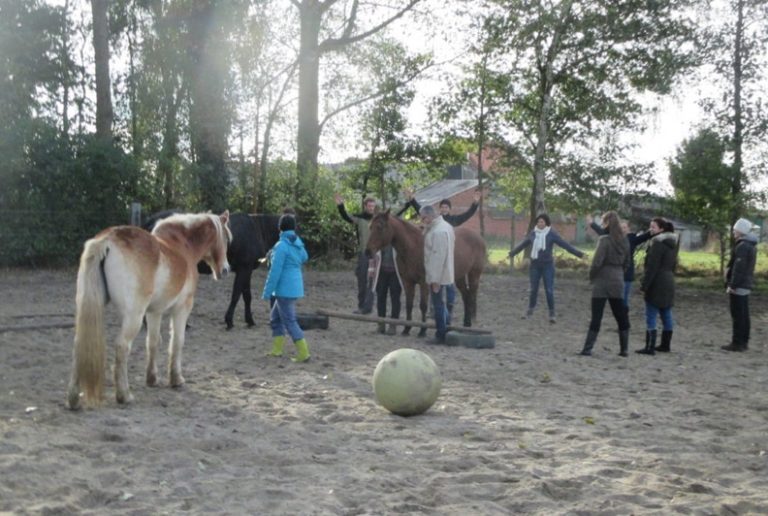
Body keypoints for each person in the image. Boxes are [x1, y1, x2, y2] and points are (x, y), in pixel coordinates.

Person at [401, 188, 481, 316]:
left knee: (449, 285)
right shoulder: (434, 220)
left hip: (449, 256)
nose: (444, 209)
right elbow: (421, 210)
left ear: (449, 209)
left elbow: (467, 215)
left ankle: (449, 309)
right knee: (434, 283)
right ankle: (435, 310)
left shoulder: (454, 220)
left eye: (446, 207)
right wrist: (412, 199)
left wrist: (475, 203)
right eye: (442, 207)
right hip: (436, 255)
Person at [510, 213, 586, 323]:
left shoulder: (551, 234)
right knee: (533, 289)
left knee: (549, 290)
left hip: (547, 266)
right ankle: (530, 311)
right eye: (538, 222)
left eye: (542, 222)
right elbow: (523, 244)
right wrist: (512, 253)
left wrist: (579, 254)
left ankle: (552, 313)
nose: (540, 224)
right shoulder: (533, 233)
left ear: (546, 223)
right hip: (535, 265)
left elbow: (565, 245)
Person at [579, 211, 631, 357]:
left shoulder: (604, 240)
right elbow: (627, 262)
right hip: (618, 279)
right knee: (620, 315)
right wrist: (619, 272)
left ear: (607, 223)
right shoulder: (624, 241)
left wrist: (592, 276)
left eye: (603, 222)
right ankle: (624, 349)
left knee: (597, 316)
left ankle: (587, 348)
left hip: (602, 280)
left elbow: (597, 262)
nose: (602, 224)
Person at [262, 214, 310, 363]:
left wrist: (267, 292)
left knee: (289, 321)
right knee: (275, 318)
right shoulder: (297, 242)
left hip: (284, 289)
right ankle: (277, 350)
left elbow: (275, 272)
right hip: (295, 287)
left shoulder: (281, 246)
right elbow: (305, 257)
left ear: (280, 228)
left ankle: (304, 352)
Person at [587, 214, 652, 308]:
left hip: (627, 273)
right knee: (615, 300)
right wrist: (592, 223)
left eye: (625, 227)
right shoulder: (612, 239)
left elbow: (646, 236)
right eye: (621, 228)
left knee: (623, 300)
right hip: (615, 275)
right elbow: (602, 232)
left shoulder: (632, 239)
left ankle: (624, 312)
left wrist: (654, 229)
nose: (623, 229)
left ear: (628, 229)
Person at [636, 217, 678, 355]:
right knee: (666, 312)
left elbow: (652, 268)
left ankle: (650, 346)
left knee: (651, 313)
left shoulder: (657, 244)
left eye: (653, 227)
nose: (650, 229)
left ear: (661, 229)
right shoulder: (673, 244)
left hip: (657, 282)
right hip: (669, 280)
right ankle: (665, 345)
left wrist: (644, 286)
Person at [335, 193, 377, 314]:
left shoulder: (377, 219)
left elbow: (393, 216)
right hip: (363, 253)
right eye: (369, 206)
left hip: (375, 255)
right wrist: (340, 206)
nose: (371, 208)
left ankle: (368, 307)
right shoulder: (360, 218)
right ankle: (361, 305)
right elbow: (346, 216)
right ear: (365, 206)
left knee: (372, 281)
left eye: (373, 206)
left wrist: (409, 203)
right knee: (361, 279)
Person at [420, 204, 455, 343]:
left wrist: (435, 280)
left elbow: (437, 257)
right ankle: (446, 327)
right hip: (444, 272)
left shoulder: (438, 232)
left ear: (428, 217)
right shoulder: (445, 226)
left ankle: (441, 334)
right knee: (440, 303)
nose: (422, 221)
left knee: (438, 304)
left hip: (438, 274)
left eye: (423, 218)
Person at [722, 218, 758, 352]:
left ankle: (737, 342)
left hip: (739, 285)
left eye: (735, 230)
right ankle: (744, 341)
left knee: (738, 315)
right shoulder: (751, 245)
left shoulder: (742, 246)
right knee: (744, 314)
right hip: (745, 283)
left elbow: (738, 268)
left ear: (741, 231)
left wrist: (732, 284)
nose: (733, 232)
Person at [370, 244, 402, 335]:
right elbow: (373, 253)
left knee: (395, 298)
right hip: (381, 270)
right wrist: (371, 271)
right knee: (380, 297)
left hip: (396, 272)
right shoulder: (379, 238)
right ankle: (381, 323)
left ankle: (393, 324)